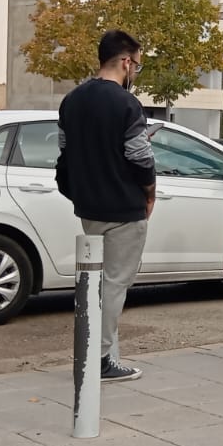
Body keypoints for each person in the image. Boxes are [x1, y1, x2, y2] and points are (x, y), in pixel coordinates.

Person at [56, 30, 156, 382]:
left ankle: (95, 350)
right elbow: (140, 158)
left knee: (94, 284)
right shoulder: (127, 104)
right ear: (126, 61)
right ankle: (98, 358)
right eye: (137, 65)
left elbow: (66, 151)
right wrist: (149, 192)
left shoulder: (72, 100)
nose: (135, 72)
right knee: (114, 284)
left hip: (88, 207)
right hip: (123, 206)